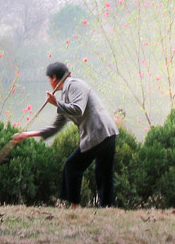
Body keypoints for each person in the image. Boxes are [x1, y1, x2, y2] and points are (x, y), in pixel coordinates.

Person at [12, 61, 118, 208]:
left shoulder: (74, 85)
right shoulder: (66, 96)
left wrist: (56, 103)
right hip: (105, 134)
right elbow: (55, 127)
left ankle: (75, 205)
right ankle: (108, 207)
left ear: (54, 78)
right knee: (102, 172)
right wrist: (26, 135)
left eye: (49, 79)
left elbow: (78, 109)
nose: (49, 82)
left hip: (100, 132)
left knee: (73, 165)